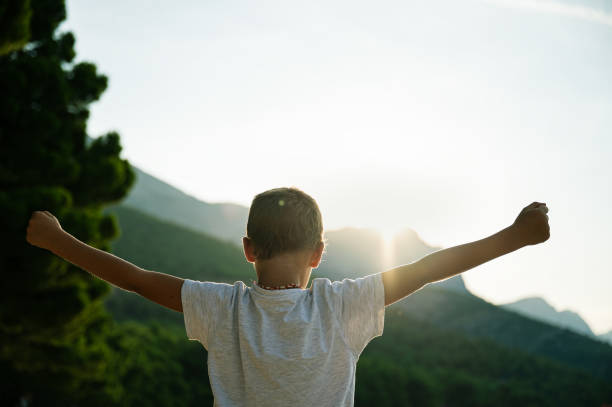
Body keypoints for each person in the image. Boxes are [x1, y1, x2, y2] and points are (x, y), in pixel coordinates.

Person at [25, 187, 550, 407]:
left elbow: (136, 278)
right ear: (319, 253)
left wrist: (58, 240)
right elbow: (428, 269)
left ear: (248, 248)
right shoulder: (343, 305)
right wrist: (513, 236)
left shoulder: (221, 307)